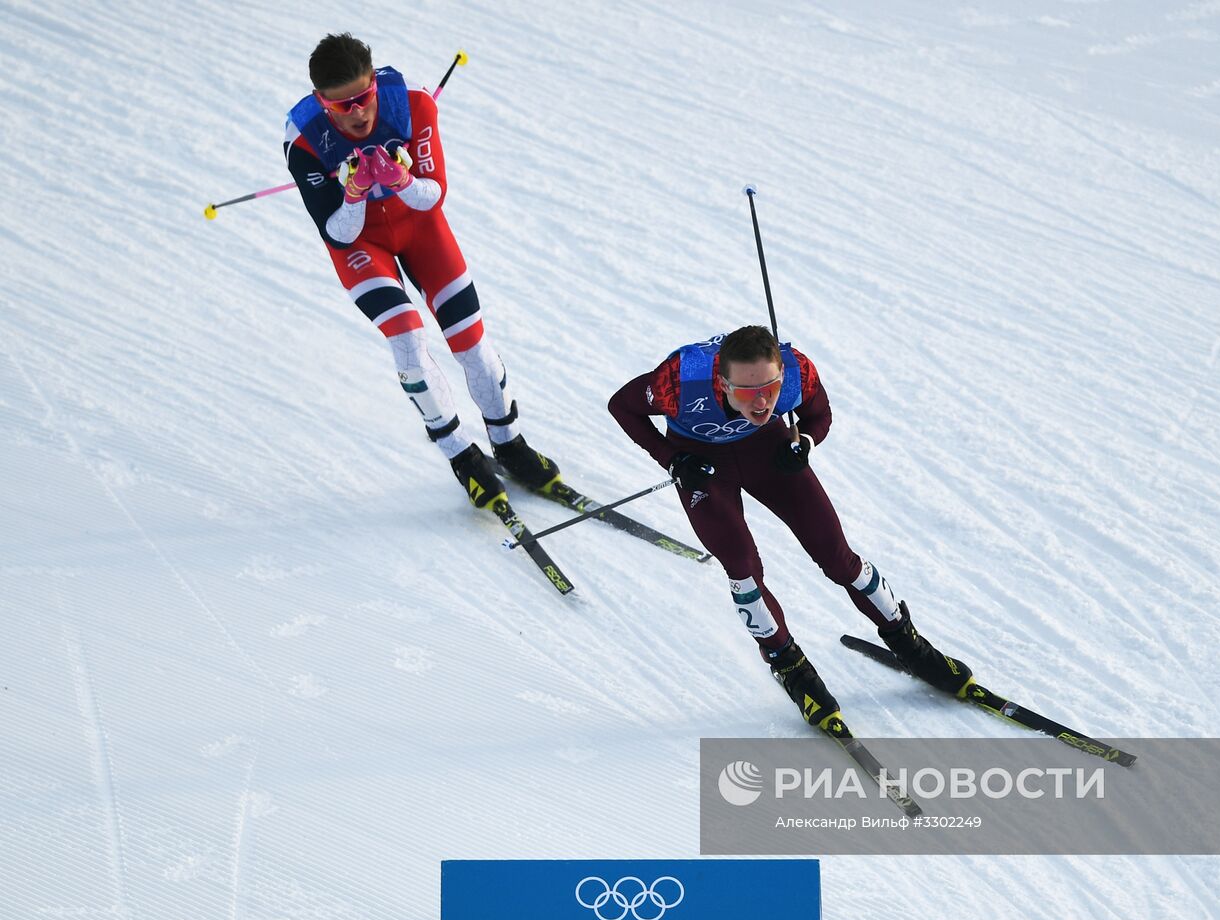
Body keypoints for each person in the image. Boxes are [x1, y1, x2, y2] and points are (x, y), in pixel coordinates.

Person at [609, 326, 975, 732]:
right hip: (703, 466)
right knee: (742, 568)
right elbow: (622, 407)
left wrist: (807, 443)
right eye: (747, 393)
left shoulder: (797, 370)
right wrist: (672, 458)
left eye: (770, 387)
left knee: (837, 556)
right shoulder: (679, 379)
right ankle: (790, 666)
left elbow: (819, 416)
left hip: (768, 453)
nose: (762, 400)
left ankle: (909, 642)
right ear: (722, 382)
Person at [283, 33, 559, 510]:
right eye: (340, 105)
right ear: (318, 100)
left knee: (472, 342)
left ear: (374, 82)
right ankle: (461, 456)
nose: (356, 113)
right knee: (408, 339)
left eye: (363, 98)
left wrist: (400, 180)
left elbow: (434, 194)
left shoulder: (411, 102)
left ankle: (509, 443)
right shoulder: (303, 137)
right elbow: (338, 235)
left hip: (419, 226)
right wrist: (353, 195)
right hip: (363, 243)